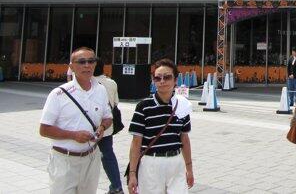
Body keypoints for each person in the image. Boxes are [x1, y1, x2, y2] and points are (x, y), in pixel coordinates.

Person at [39, 47, 113, 193]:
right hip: (64, 160)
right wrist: (73, 135)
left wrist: (102, 128)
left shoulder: (101, 90)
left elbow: (108, 117)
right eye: (82, 61)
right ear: (71, 66)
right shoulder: (58, 94)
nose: (87, 65)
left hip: (91, 158)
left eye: (91, 61)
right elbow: (44, 129)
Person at [128, 59, 194, 194]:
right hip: (151, 163)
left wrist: (189, 169)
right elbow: (136, 142)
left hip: (176, 162)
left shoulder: (182, 105)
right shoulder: (144, 106)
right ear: (153, 81)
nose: (162, 81)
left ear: (175, 80)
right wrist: (132, 173)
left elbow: (184, 139)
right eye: (158, 78)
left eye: (167, 77)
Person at [94, 58, 124, 194]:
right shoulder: (111, 83)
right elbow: (116, 103)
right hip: (107, 126)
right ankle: (117, 186)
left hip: (87, 128)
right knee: (108, 155)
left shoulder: (87, 83)